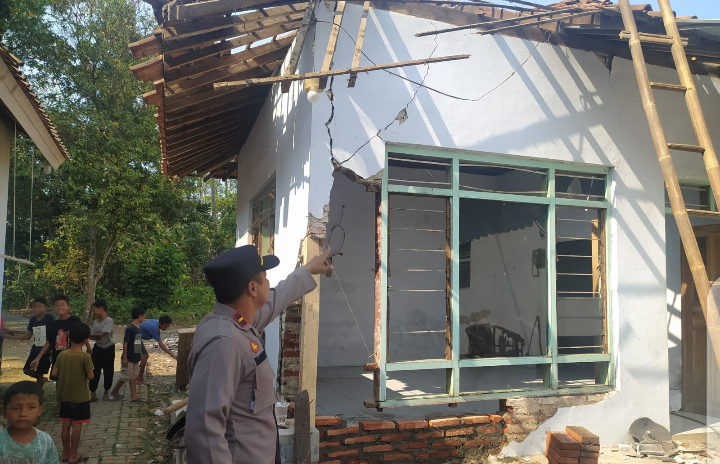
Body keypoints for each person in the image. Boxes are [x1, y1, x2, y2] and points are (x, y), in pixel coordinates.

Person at [185, 245, 333, 464]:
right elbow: (205, 432)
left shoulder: (237, 322)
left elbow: (275, 300)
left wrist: (308, 269)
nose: (269, 283)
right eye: (265, 278)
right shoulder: (223, 343)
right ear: (253, 288)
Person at [51, 322, 94, 464]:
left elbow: (54, 373)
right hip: (80, 397)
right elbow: (91, 376)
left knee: (65, 425)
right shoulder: (85, 357)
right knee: (77, 426)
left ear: (69, 337)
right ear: (85, 340)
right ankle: (74, 454)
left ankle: (66, 453)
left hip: (64, 396)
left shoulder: (62, 355)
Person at [30, 295, 91, 378]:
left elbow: (83, 335)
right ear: (54, 308)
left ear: (68, 307)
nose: (59, 307)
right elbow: (49, 342)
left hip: (74, 357)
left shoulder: (75, 320)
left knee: (74, 379)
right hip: (58, 358)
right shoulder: (54, 324)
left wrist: (89, 348)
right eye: (56, 305)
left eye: (62, 305)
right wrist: (37, 358)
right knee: (58, 379)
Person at [0, 380, 59, 463]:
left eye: (31, 407)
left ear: (40, 410)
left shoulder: (45, 441)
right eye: (16, 408)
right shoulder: (1, 440)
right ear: (4, 412)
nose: (23, 413)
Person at [0, 298, 55, 386]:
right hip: (35, 349)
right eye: (35, 307)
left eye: (39, 306)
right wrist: (11, 337)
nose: (37, 309)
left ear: (45, 307)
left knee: (40, 372)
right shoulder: (33, 320)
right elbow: (28, 336)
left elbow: (52, 337)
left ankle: (39, 388)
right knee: (27, 370)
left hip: (47, 351)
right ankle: (40, 379)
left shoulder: (49, 318)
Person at [109, 307, 146, 402]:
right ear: (140, 316)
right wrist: (125, 358)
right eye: (144, 316)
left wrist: (140, 353)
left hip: (135, 356)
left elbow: (137, 342)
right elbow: (125, 343)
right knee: (125, 376)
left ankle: (134, 395)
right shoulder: (130, 328)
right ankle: (114, 391)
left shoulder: (138, 328)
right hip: (129, 357)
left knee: (133, 376)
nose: (144, 318)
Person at [137, 314, 176, 384]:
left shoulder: (156, 322)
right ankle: (139, 379)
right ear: (160, 323)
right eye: (165, 326)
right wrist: (172, 355)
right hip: (135, 337)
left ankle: (136, 375)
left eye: (167, 326)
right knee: (144, 356)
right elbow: (161, 344)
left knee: (140, 356)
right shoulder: (154, 329)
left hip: (136, 335)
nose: (166, 328)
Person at [88, 300, 114, 402]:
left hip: (108, 348)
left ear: (101, 308)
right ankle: (93, 391)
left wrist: (87, 334)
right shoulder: (95, 322)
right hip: (98, 347)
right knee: (94, 370)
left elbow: (101, 334)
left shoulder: (109, 321)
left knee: (108, 371)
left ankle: (106, 391)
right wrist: (90, 335)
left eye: (94, 310)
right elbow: (94, 336)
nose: (94, 312)